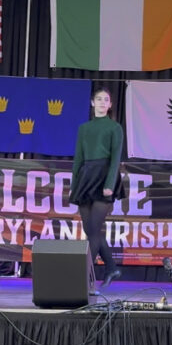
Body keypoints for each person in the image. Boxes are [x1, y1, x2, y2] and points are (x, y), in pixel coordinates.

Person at [70, 87, 125, 289]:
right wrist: (74, 186)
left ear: (110, 105)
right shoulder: (84, 128)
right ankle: (111, 267)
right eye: (98, 99)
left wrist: (110, 184)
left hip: (104, 177)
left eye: (106, 100)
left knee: (93, 230)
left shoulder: (114, 127)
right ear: (92, 103)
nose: (102, 103)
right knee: (91, 230)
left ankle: (83, 278)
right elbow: (78, 158)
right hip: (85, 178)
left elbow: (115, 158)